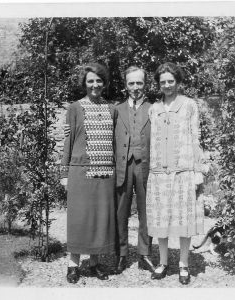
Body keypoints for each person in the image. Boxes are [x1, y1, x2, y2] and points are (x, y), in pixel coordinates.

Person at [146, 62, 207, 284]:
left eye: (170, 81)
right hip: (159, 172)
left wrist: (198, 170)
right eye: (163, 82)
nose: (167, 85)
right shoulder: (154, 108)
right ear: (158, 84)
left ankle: (183, 264)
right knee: (161, 219)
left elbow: (195, 136)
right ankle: (163, 262)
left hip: (184, 171)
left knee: (183, 219)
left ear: (177, 82)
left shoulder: (189, 105)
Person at [60, 63, 117, 284]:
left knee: (99, 219)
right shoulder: (75, 108)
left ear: (105, 83)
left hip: (105, 173)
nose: (95, 84)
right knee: (79, 219)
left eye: (99, 80)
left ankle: (95, 264)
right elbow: (68, 141)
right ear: (85, 84)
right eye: (91, 81)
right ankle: (73, 265)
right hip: (80, 171)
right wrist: (64, 173)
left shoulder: (111, 108)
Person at [114, 66, 154, 274]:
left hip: (146, 166)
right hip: (123, 165)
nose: (135, 87)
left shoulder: (154, 109)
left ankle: (144, 255)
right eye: (131, 83)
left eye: (139, 83)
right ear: (125, 85)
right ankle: (121, 255)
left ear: (145, 84)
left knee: (147, 211)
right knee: (121, 211)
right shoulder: (116, 109)